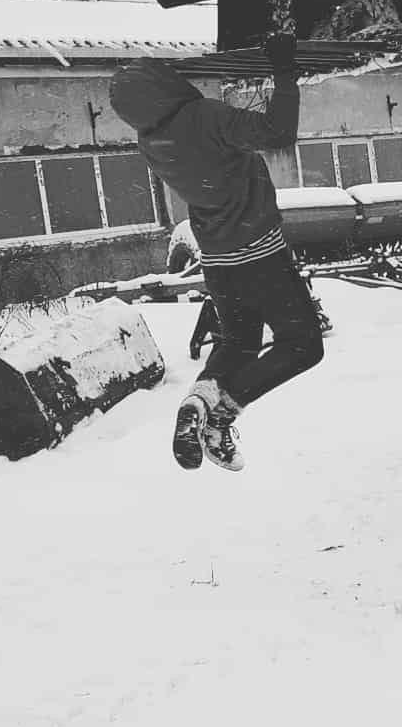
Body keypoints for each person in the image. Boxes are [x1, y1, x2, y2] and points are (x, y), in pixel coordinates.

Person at [108, 34, 324, 471]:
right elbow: (277, 132)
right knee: (303, 345)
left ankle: (198, 404)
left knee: (239, 344)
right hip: (260, 253)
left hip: (220, 262)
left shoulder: (150, 140)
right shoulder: (202, 117)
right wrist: (283, 73)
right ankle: (223, 410)